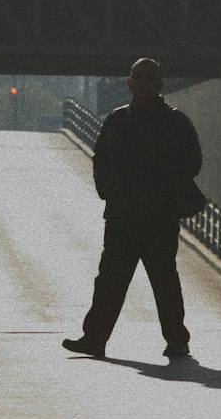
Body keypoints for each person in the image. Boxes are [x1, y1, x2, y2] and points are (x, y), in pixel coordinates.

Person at [63, 58, 205, 361]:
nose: (143, 81)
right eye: (138, 76)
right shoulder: (116, 120)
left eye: (150, 77)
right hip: (121, 215)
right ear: (129, 82)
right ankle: (94, 339)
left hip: (159, 216)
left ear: (159, 85)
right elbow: (101, 158)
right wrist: (107, 189)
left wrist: (163, 185)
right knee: (109, 281)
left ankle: (177, 340)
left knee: (164, 280)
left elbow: (192, 162)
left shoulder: (175, 121)